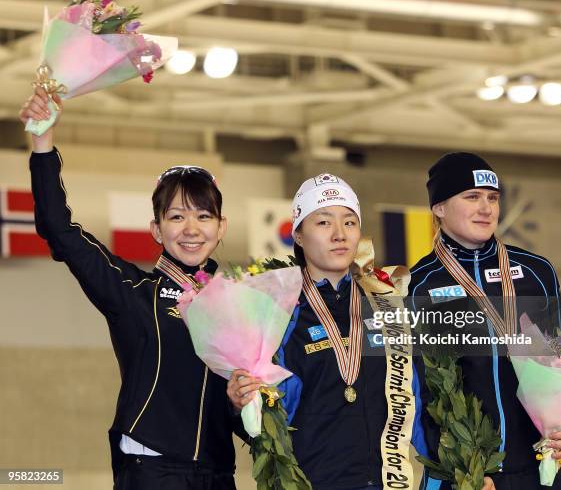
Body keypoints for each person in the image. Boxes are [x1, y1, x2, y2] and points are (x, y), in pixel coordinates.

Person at [19, 88, 243, 490]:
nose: (191, 229)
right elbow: (59, 230)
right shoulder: (132, 291)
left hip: (219, 474)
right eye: (176, 216)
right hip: (152, 470)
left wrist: (245, 404)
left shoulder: (241, 306)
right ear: (156, 229)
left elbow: (239, 409)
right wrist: (42, 142)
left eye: (204, 216)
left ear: (221, 227)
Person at [409, 152, 561, 490]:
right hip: (463, 474)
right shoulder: (417, 285)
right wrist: (459, 469)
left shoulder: (537, 272)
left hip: (538, 466)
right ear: (439, 207)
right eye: (472, 197)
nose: (486, 208)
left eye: (492, 198)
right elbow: (417, 392)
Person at [228, 174, 388, 490]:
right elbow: (261, 425)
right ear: (298, 235)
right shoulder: (276, 311)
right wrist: (238, 405)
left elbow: (417, 399)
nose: (340, 235)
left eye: (350, 223)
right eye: (324, 223)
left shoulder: (384, 305)